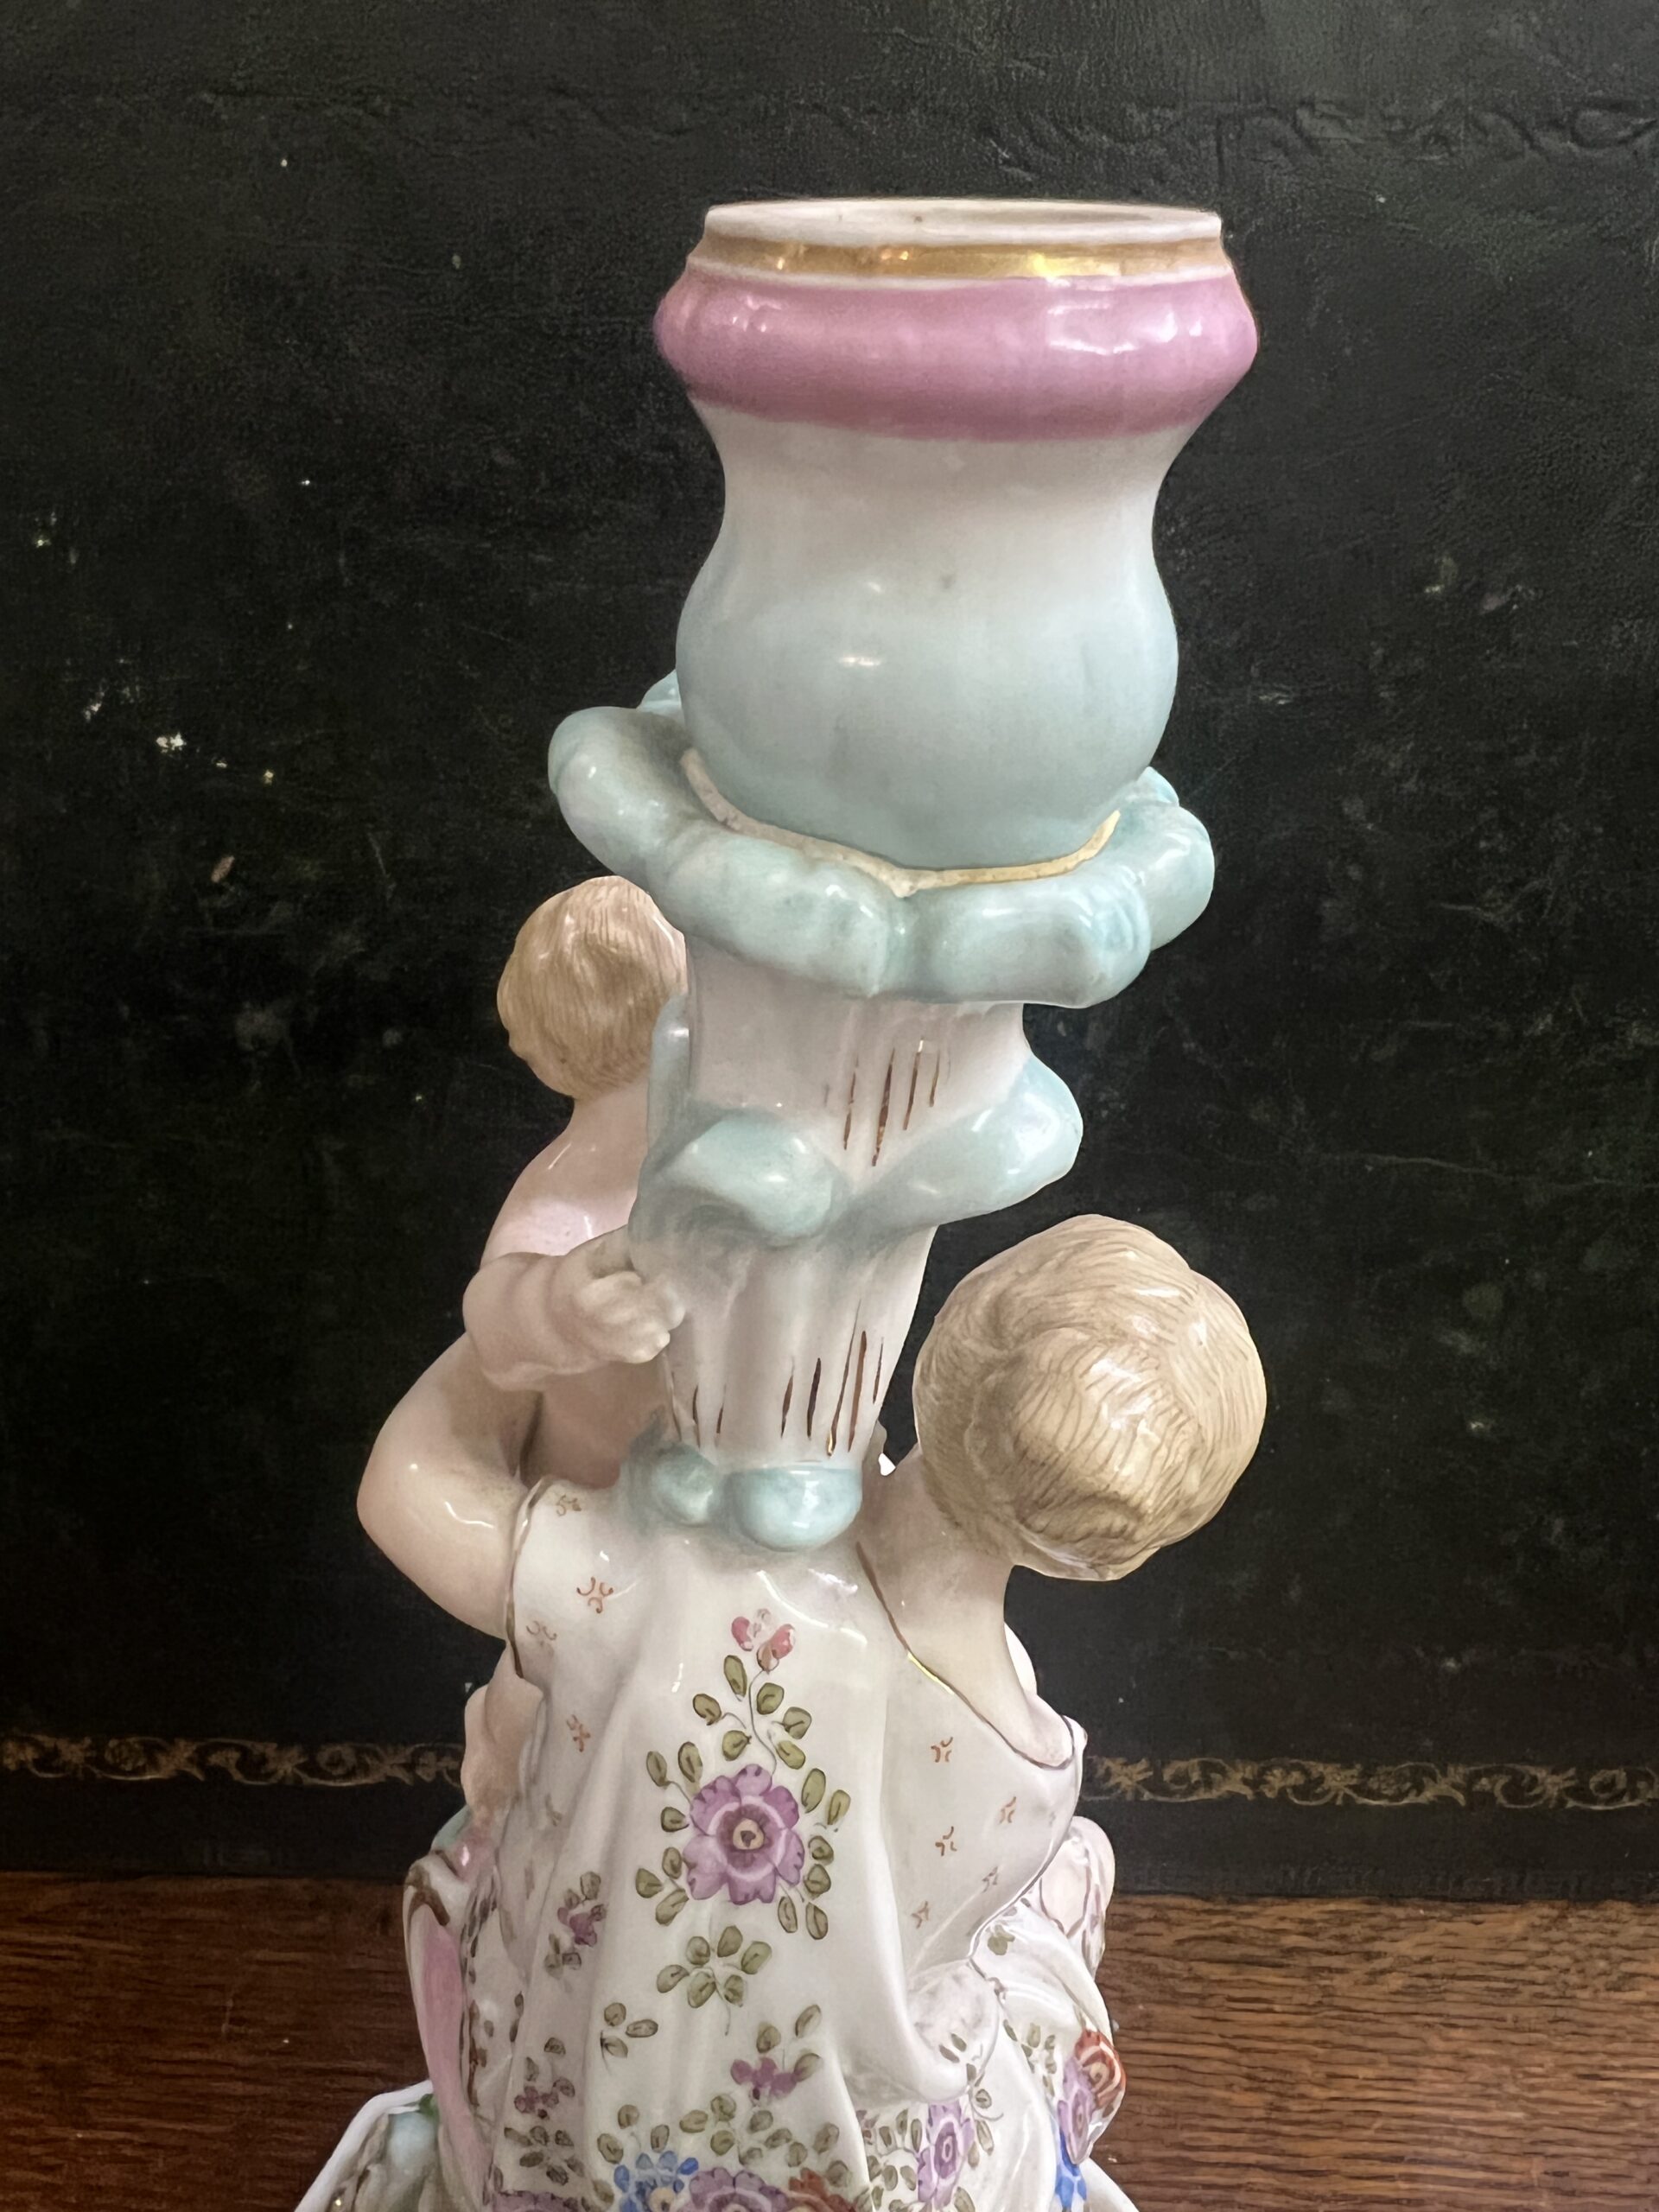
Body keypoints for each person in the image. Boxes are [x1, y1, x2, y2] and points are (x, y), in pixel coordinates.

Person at [410, 1214, 1262, 2212]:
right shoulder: (1029, 1771)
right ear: (1109, 1556)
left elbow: (408, 1490)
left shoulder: (667, 1563)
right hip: (828, 2170)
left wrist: (518, 1328)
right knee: (1064, 1891)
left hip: (570, 2119)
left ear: (941, 1348)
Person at [359, 876, 688, 1826]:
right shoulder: (561, 1199)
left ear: (534, 1048)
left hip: (709, 1501)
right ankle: (506, 1796)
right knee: (549, 1677)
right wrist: (565, 1311)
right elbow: (496, 1324)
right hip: (598, 1515)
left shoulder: (705, 1158)